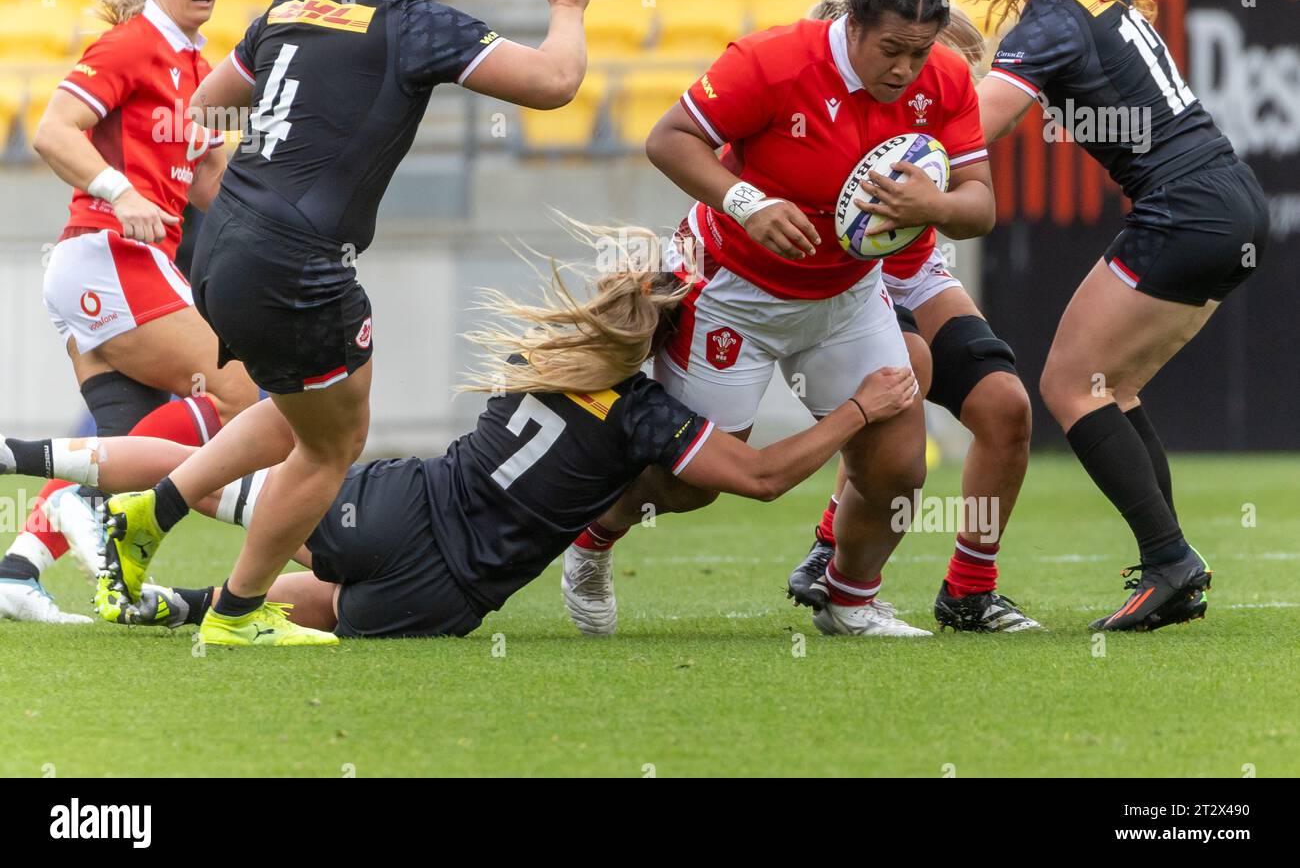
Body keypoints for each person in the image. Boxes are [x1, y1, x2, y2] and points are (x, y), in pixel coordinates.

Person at [92, 0, 596, 647]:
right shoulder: (413, 20)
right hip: (297, 262)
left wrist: (271, 168)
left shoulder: (290, 7)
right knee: (335, 443)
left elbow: (204, 106)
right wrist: (567, 6)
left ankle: (149, 512)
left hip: (227, 243)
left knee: (296, 412)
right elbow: (554, 83)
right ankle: (236, 614)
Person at [1, 223, 917, 641]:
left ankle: (121, 506)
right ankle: (171, 599)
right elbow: (755, 477)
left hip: (403, 507)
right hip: (456, 592)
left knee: (257, 477)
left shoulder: (542, 360)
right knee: (315, 602)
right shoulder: (649, 415)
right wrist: (858, 411)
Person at [561, 0, 997, 639]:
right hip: (732, 291)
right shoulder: (771, 61)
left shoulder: (941, 77)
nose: (906, 70)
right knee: (694, 481)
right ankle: (596, 537)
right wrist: (746, 201)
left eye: (918, 52)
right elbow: (668, 138)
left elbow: (982, 208)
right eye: (891, 49)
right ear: (853, 26)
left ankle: (850, 600)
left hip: (848, 294)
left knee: (898, 465)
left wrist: (936, 203)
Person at [973, 0, 1269, 630]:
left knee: (1071, 386)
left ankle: (1171, 561)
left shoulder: (1055, 18)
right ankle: (1174, 569)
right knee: (1110, 388)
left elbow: (973, 128)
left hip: (1188, 206)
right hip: (1224, 198)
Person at [0, 0, 259, 623]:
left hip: (108, 273)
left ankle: (15, 571)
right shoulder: (130, 45)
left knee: (128, 446)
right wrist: (122, 191)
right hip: (109, 258)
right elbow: (52, 130)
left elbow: (207, 179)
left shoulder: (198, 67)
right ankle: (80, 498)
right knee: (240, 395)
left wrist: (277, 228)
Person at [785, 0, 1039, 633]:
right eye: (908, 58)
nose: (921, 76)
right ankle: (827, 549)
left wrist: (940, 201)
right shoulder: (823, 97)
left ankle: (969, 593)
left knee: (1006, 408)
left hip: (917, 269)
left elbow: (971, 203)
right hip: (844, 279)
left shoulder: (943, 101)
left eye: (930, 61)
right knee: (901, 380)